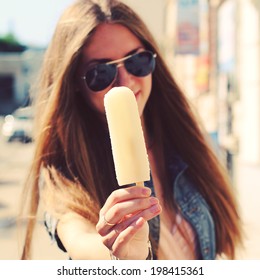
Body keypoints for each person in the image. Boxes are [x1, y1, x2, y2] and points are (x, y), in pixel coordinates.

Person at [21, 0, 243, 260]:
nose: (125, 82)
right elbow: (79, 240)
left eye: (137, 61)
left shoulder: (184, 140)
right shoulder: (64, 172)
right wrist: (119, 254)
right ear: (74, 83)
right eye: (100, 72)